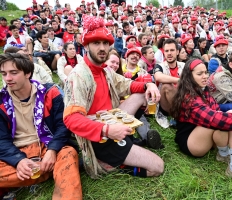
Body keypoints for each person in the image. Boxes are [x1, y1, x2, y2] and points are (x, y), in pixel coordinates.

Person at [63, 15, 164, 178]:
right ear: (86, 45)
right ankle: (117, 165)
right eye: (96, 43)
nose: (102, 48)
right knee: (158, 166)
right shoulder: (79, 76)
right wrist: (107, 130)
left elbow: (128, 84)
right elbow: (71, 119)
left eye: (105, 43)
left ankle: (125, 145)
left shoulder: (105, 70)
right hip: (99, 137)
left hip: (111, 120)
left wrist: (149, 85)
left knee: (140, 94)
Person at [170, 58, 232, 196]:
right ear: (189, 77)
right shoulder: (189, 98)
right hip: (191, 142)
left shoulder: (202, 90)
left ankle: (225, 156)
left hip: (203, 133)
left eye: (205, 72)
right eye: (200, 74)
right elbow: (213, 119)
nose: (205, 76)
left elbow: (216, 109)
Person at [0, 53, 82, 199]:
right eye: (4, 74)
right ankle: (48, 171)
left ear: (28, 73)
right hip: (16, 150)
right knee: (66, 165)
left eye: (13, 73)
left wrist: (52, 150)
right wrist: (18, 160)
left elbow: (63, 127)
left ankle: (34, 174)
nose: (7, 79)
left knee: (68, 154)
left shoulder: (50, 93)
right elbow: (1, 141)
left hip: (46, 146)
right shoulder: (1, 101)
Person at [154, 38, 185, 128]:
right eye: (166, 51)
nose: (169, 53)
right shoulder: (159, 65)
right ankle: (178, 117)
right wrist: (179, 80)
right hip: (166, 104)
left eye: (172, 50)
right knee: (167, 86)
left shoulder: (183, 66)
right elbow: (158, 77)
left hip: (182, 99)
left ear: (177, 52)